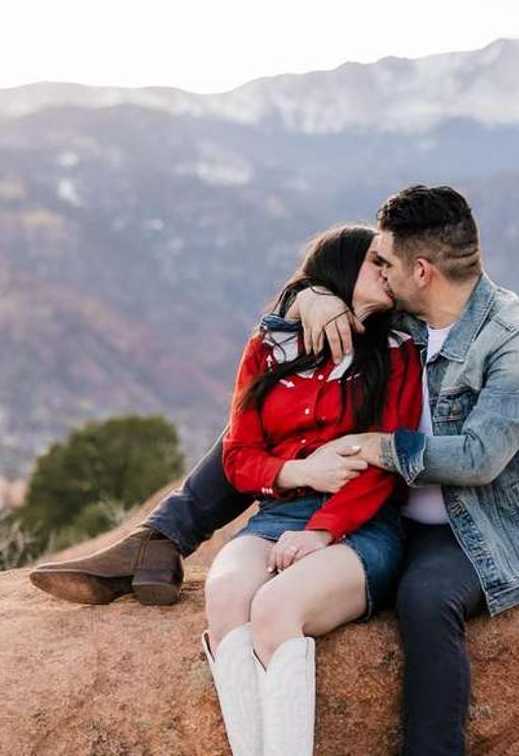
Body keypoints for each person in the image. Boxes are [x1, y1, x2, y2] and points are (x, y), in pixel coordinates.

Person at [30, 186, 519, 756]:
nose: (379, 272)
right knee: (256, 433)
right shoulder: (403, 315)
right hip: (385, 509)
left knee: (425, 600)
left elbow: (479, 459)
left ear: (422, 272)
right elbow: (330, 289)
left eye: (385, 263)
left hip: (468, 528)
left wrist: (374, 452)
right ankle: (159, 539)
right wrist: (311, 295)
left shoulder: (518, 343)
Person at [199, 224, 424, 756]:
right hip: (277, 513)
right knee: (227, 595)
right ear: (344, 271)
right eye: (377, 263)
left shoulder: (397, 350)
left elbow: (384, 464)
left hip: (362, 525)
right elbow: (237, 457)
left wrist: (324, 531)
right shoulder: (269, 348)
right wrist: (301, 473)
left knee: (275, 608)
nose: (389, 273)